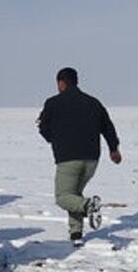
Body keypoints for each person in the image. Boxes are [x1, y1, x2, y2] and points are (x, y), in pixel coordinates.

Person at [37, 67, 122, 246]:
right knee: (74, 194)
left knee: (63, 197)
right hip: (92, 160)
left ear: (61, 83)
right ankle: (76, 233)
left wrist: (54, 139)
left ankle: (88, 205)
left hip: (68, 159)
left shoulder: (53, 103)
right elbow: (108, 127)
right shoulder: (93, 102)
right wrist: (114, 149)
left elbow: (43, 128)